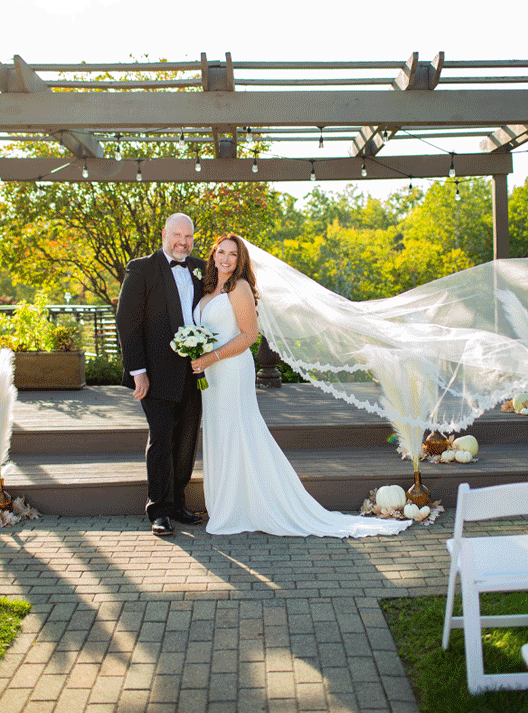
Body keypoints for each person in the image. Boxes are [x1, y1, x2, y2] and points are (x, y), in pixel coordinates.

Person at [188, 234, 411, 538]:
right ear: (213, 256)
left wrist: (211, 356)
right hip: (211, 375)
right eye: (221, 253)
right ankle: (228, 504)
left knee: (236, 432)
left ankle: (240, 509)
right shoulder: (207, 288)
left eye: (233, 255)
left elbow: (248, 336)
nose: (226, 259)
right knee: (220, 434)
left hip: (230, 370)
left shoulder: (238, 288)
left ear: (241, 261)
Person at [116, 213, 206, 537]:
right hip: (154, 374)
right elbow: (127, 322)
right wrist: (138, 372)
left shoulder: (200, 268)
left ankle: (178, 503)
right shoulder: (141, 267)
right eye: (177, 236)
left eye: (189, 238)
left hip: (193, 372)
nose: (182, 243)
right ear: (164, 233)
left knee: (186, 441)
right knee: (161, 439)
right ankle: (159, 510)